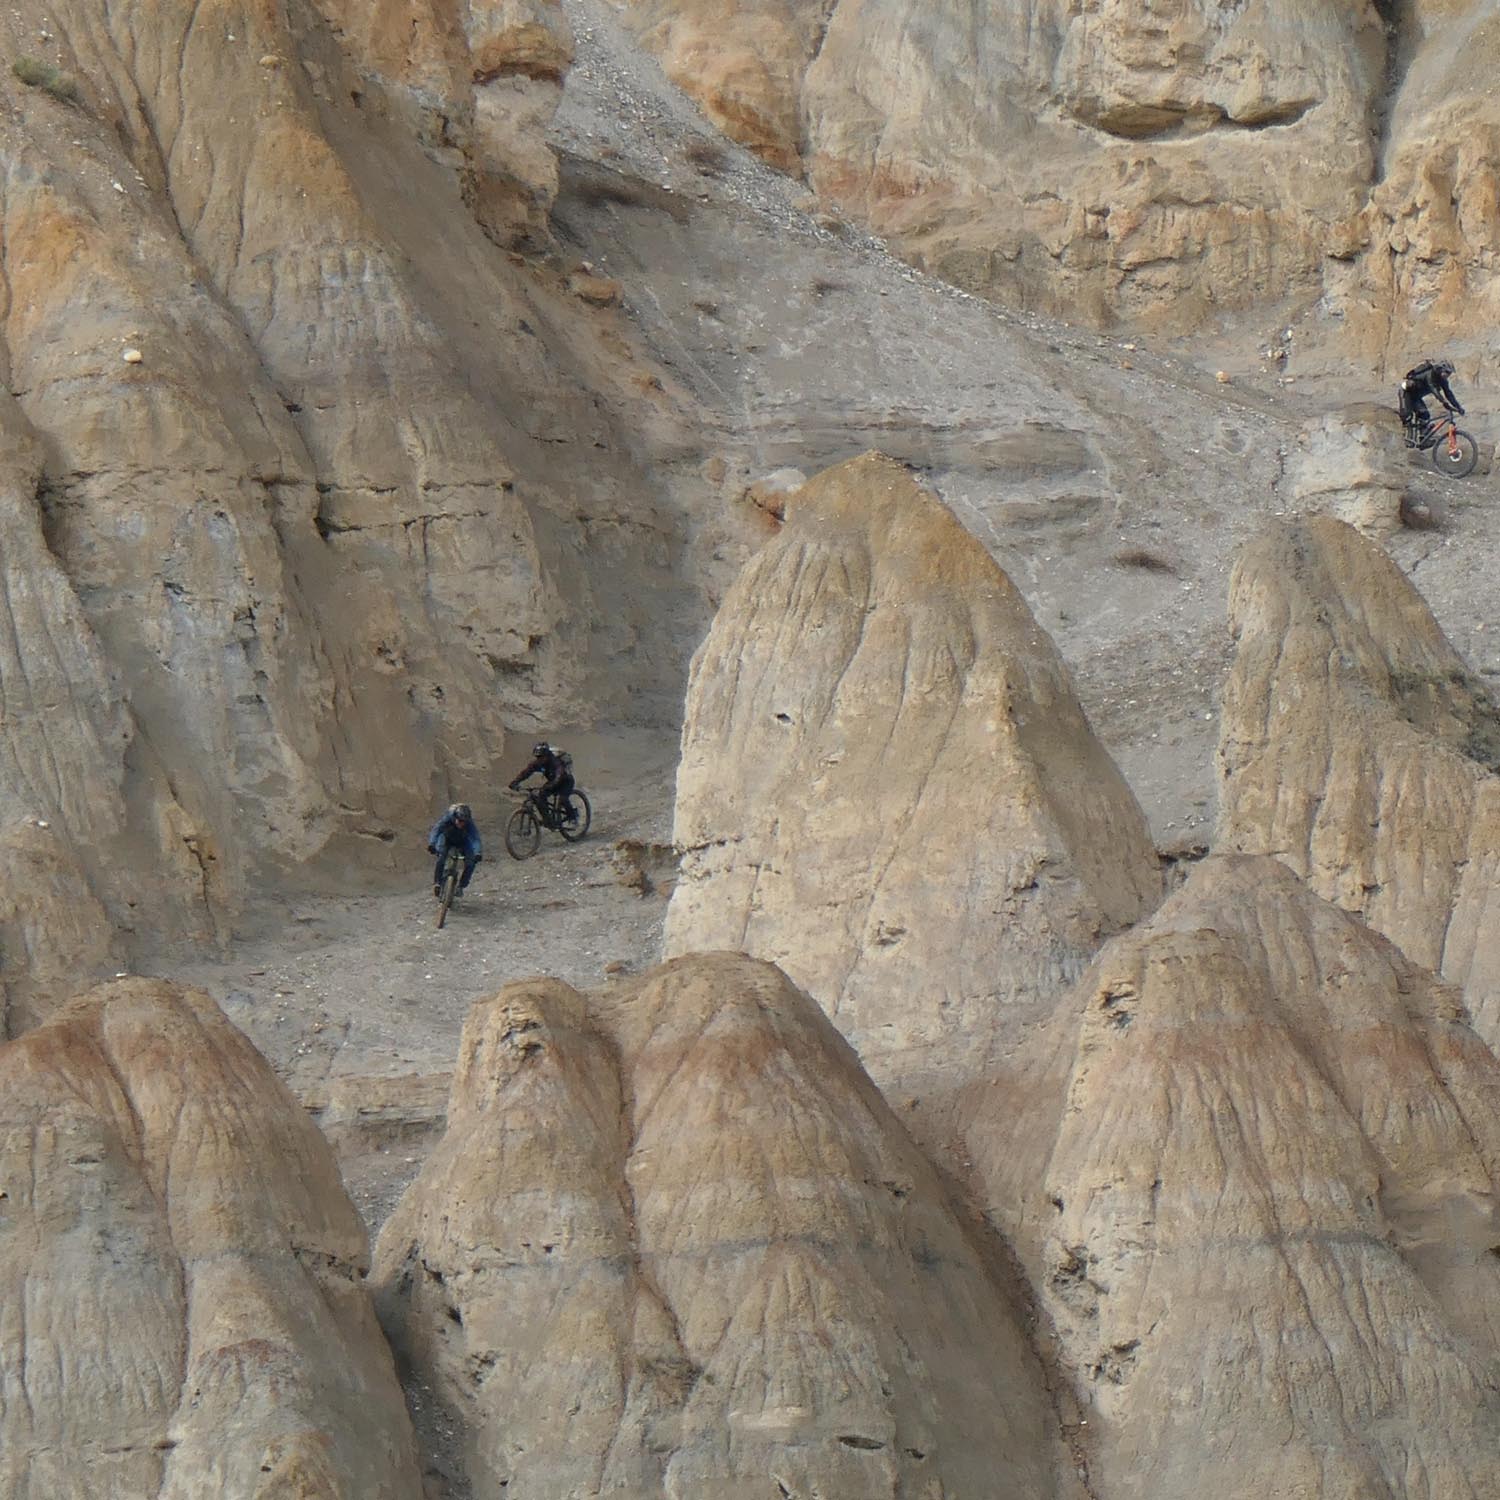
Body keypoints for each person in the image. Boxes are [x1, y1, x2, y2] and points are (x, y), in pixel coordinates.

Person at [508, 742, 575, 827]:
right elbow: (526, 773)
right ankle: (548, 820)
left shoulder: (555, 762)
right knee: (540, 797)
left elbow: (559, 774)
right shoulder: (537, 763)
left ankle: (572, 817)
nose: (539, 759)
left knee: (563, 799)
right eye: (537, 757)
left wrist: (551, 785)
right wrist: (515, 782)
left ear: (547, 755)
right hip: (552, 782)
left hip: (566, 781)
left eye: (541, 757)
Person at [1399, 358, 1464, 446]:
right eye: (1447, 372)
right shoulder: (1430, 374)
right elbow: (1433, 388)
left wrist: (1458, 407)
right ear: (1441, 369)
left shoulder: (1443, 381)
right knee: (1407, 415)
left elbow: (1449, 394)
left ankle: (1423, 439)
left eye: (1449, 374)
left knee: (1425, 415)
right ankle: (1406, 438)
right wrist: (1444, 402)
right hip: (1406, 393)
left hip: (1415, 397)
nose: (1448, 375)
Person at [427, 802, 481, 897]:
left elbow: (475, 838)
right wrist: (432, 843)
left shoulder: (469, 824)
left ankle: (461, 886)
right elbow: (437, 829)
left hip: (463, 841)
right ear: (455, 817)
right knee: (441, 858)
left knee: (471, 864)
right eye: (459, 821)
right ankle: (437, 883)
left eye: (464, 822)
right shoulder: (447, 819)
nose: (461, 823)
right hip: (447, 839)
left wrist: (477, 852)